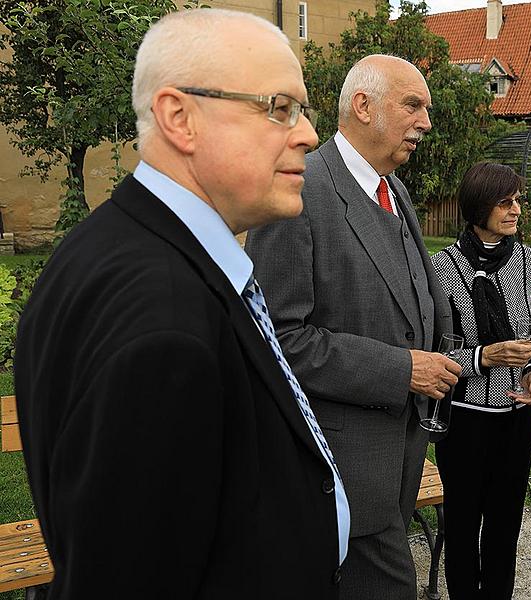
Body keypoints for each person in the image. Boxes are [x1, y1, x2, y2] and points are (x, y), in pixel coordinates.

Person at [14, 8, 347, 599]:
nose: (308, 134)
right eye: (278, 108)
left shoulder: (115, 244)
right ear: (179, 118)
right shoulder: (165, 331)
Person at [245, 54, 460, 599]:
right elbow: (279, 341)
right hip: (338, 469)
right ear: (362, 106)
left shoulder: (395, 190)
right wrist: (402, 369)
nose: (427, 122)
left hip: (396, 465)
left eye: (427, 108)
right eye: (413, 105)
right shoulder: (303, 191)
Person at [431, 162, 531, 599]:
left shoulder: (530, 261)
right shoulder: (441, 267)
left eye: (518, 200)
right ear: (479, 206)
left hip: (518, 417)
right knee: (462, 526)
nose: (516, 209)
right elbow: (434, 354)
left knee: (505, 526)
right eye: (505, 202)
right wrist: (484, 356)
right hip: (463, 420)